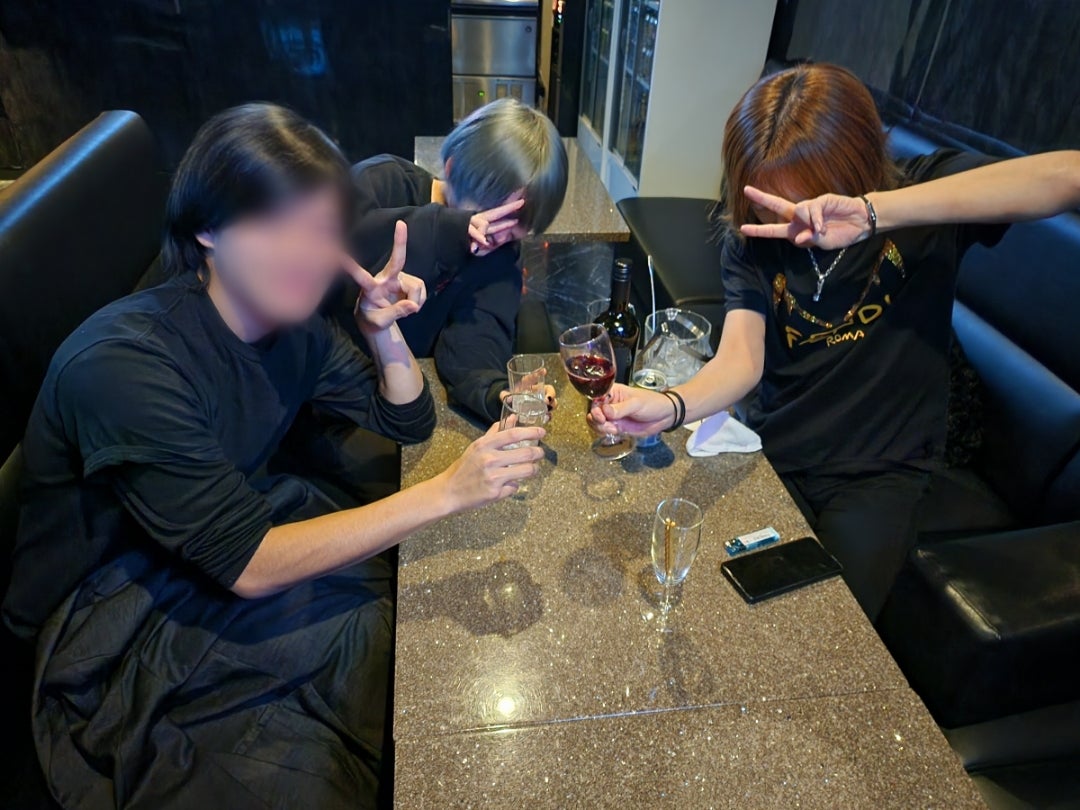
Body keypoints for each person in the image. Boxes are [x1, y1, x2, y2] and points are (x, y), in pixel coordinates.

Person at [2, 103, 545, 810]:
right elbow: (251, 566)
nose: (307, 254)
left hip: (215, 537)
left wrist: (379, 329)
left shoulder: (290, 326)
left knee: (403, 639)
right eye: (277, 224)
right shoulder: (124, 366)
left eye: (322, 229)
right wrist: (447, 491)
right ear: (207, 228)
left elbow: (405, 419)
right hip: (108, 615)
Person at [590, 63, 1080, 620]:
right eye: (766, 200)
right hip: (779, 445)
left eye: (804, 198)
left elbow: (1067, 177)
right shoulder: (754, 240)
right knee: (711, 601)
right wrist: (670, 405)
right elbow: (741, 360)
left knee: (824, 626)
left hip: (880, 469)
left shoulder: (922, 198)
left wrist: (873, 214)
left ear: (852, 164)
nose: (787, 220)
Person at [332, 98, 569, 422]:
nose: (496, 237)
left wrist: (499, 394)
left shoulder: (501, 255)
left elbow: (474, 344)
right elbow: (334, 258)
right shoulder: (382, 182)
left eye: (515, 232)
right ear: (453, 169)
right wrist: (448, 230)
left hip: (394, 402)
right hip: (320, 387)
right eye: (491, 217)